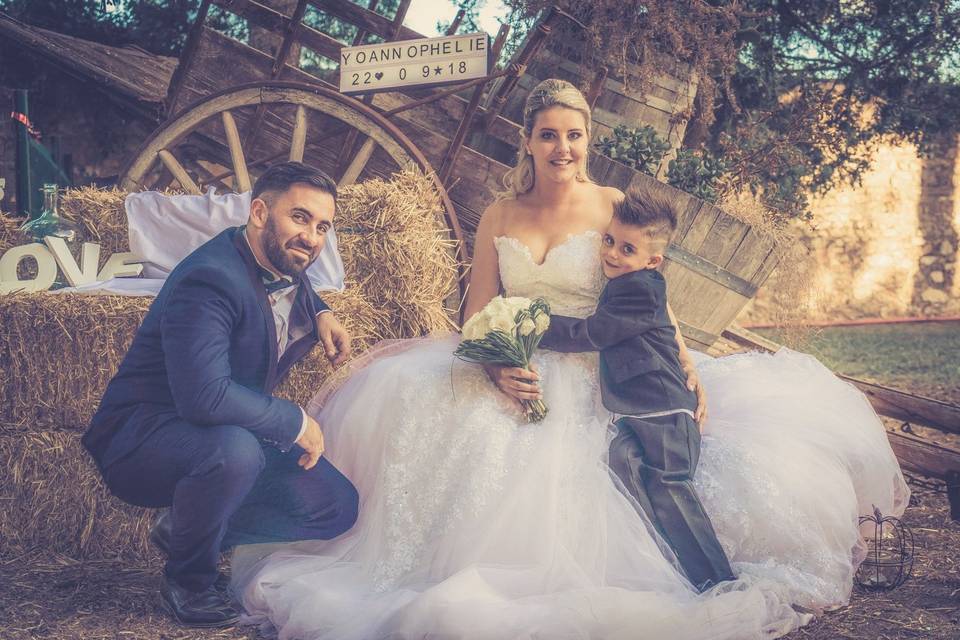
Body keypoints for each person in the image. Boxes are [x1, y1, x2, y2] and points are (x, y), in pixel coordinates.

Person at [232, 80, 909, 640]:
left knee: (636, 464)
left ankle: (698, 568)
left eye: (574, 134)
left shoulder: (611, 205)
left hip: (602, 371)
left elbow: (646, 293)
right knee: (424, 406)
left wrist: (686, 361)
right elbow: (477, 310)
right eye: (549, 134)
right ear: (528, 140)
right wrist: (496, 363)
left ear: (589, 140)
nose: (562, 147)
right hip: (520, 363)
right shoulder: (501, 212)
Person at [82, 162, 359, 628]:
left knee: (334, 505)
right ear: (258, 213)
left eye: (322, 226)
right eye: (300, 218)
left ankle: (185, 529)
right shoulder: (209, 279)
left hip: (225, 431)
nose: (311, 237)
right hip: (145, 436)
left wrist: (322, 309)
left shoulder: (274, 254)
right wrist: (295, 422)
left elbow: (296, 277)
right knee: (236, 453)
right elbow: (203, 398)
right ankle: (189, 579)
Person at [538, 185, 735, 591]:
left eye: (627, 249)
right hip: (638, 410)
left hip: (664, 409)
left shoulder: (642, 289)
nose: (612, 253)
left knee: (670, 488)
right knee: (620, 465)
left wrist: (535, 322)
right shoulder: (627, 281)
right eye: (609, 241)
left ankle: (718, 581)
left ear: (653, 261)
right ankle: (666, 565)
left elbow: (594, 333)